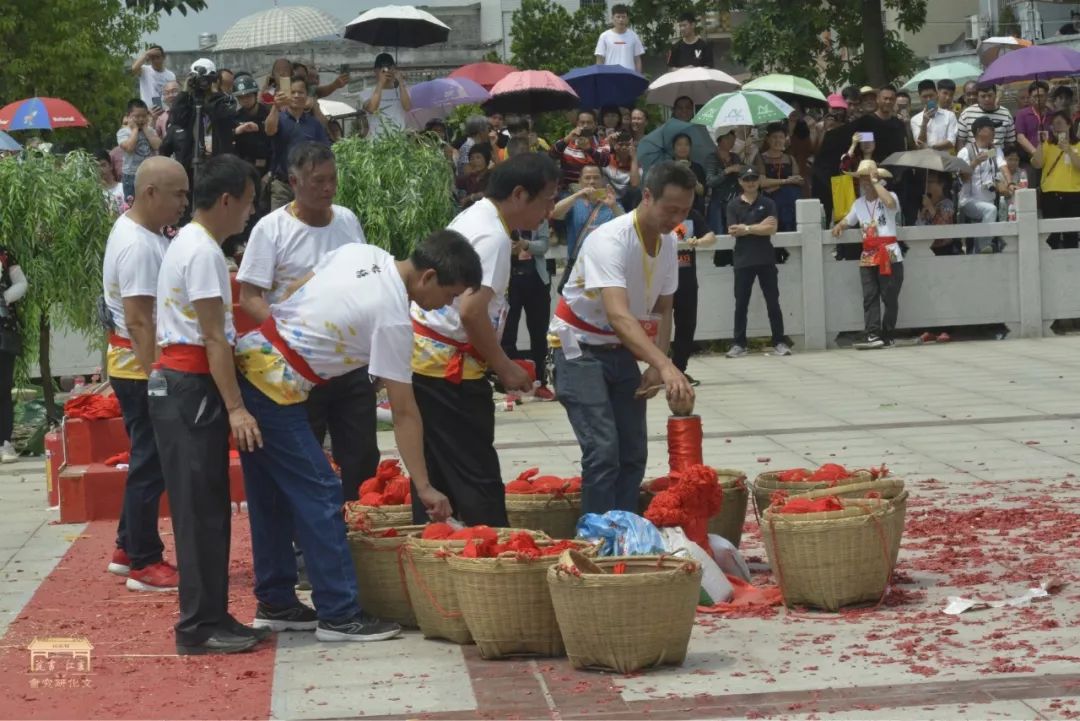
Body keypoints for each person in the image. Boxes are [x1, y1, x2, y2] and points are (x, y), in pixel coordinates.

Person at [234, 230, 477, 642]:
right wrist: (424, 486)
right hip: (274, 385)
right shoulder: (394, 316)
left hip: (255, 357)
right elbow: (404, 411)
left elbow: (295, 289)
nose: (448, 306)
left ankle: (276, 600)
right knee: (323, 492)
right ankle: (339, 614)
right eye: (449, 295)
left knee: (271, 494)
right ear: (428, 277)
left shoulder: (363, 252)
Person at [149, 154, 264, 655]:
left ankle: (213, 614)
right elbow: (214, 339)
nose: (248, 214)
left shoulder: (193, 245)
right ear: (225, 200)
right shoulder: (202, 252)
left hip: (186, 385)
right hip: (190, 385)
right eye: (247, 203)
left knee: (210, 506)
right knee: (200, 510)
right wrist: (236, 407)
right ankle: (197, 625)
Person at [410, 154, 558, 526]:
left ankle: (436, 551)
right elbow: (471, 312)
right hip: (447, 370)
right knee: (476, 474)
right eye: (547, 199)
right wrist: (504, 366)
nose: (550, 210)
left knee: (439, 469)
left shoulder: (478, 215)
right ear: (520, 195)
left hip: (429, 361)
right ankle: (492, 557)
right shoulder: (492, 236)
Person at [548, 160, 695, 515]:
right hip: (578, 348)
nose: (675, 218)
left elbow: (663, 310)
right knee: (603, 450)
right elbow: (617, 314)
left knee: (633, 451)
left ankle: (625, 526)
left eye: (685, 211)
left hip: (621, 349)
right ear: (647, 196)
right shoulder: (610, 239)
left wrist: (657, 366)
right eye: (669, 208)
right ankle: (596, 537)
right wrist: (665, 363)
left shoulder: (670, 245)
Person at [237, 142, 378, 502]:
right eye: (318, 181)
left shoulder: (346, 220)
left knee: (361, 453)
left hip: (350, 364)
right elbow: (249, 297)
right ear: (294, 181)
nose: (328, 188)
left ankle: (360, 529)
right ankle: (308, 538)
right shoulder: (271, 229)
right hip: (298, 366)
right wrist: (288, 337)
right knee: (307, 455)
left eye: (332, 179)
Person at [102, 157, 190, 591]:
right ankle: (143, 559)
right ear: (151, 193)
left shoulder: (147, 233)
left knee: (147, 458)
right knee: (151, 463)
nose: (183, 203)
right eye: (178, 194)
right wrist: (161, 375)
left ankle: (126, 544)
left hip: (139, 363)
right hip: (141, 367)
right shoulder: (137, 244)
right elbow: (138, 320)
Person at [500, 139, 556, 402]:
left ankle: (540, 381)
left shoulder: (539, 207)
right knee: (508, 331)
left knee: (539, 332)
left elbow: (544, 244)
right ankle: (510, 384)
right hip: (511, 279)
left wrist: (526, 244)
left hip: (535, 277)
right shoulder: (504, 208)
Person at [831, 160, 903, 350]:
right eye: (862, 177)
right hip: (869, 253)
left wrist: (876, 183)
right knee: (870, 296)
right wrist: (840, 226)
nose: (865, 181)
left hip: (889, 252)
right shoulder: (858, 203)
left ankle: (888, 334)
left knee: (889, 296)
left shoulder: (890, 195)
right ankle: (873, 334)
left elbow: (890, 203)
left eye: (868, 177)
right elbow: (849, 219)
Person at [724, 167, 788, 358]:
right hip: (743, 260)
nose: (750, 182)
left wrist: (748, 228)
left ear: (758, 181)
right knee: (741, 303)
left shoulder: (768, 203)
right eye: (746, 179)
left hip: (766, 258)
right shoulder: (733, 205)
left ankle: (779, 341)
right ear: (740, 182)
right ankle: (739, 343)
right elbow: (734, 230)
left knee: (773, 302)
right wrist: (757, 227)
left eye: (753, 178)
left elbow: (772, 228)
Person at [550, 164, 624, 292]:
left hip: (604, 268)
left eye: (596, 178)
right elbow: (554, 213)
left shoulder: (612, 204)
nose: (592, 181)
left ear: (602, 180)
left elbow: (626, 226)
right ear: (579, 181)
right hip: (577, 267)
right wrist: (576, 195)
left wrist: (613, 206)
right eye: (587, 178)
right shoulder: (573, 203)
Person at [266, 76, 330, 211]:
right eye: (292, 92)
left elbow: (325, 152)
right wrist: (275, 107)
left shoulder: (314, 124)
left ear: (306, 96)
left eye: (300, 92)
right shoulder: (279, 118)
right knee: (279, 228)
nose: (296, 96)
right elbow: (269, 130)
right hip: (282, 187)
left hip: (308, 186)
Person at [671, 206, 715, 384]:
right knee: (657, 326)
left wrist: (700, 242)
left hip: (686, 280)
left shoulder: (691, 214)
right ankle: (657, 370)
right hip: (660, 279)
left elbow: (710, 236)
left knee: (687, 324)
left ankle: (679, 369)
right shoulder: (657, 211)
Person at [957, 116, 1006, 254]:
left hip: (990, 200)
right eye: (991, 128)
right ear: (979, 131)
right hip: (969, 201)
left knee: (992, 210)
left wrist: (1010, 183)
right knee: (990, 210)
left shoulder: (994, 150)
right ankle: (984, 246)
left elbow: (1004, 167)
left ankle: (981, 249)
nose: (994, 132)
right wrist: (975, 163)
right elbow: (963, 178)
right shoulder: (965, 152)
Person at [1032, 110, 1080, 249]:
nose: (1056, 127)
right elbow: (1037, 164)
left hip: (1074, 193)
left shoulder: (1077, 145)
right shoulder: (1047, 144)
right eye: (1053, 125)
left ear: (1069, 124)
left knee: (1071, 234)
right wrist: (1040, 144)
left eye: (1059, 123)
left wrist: (1069, 150)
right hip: (1051, 193)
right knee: (1052, 234)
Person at [0, 239, 27, 464]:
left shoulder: (4, 253)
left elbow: (21, 283)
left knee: (2, 388)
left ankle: (4, 443)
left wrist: (4, 298)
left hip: (2, 330)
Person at [755, 122, 802, 234]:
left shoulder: (790, 158)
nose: (778, 140)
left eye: (781, 137)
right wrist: (785, 181)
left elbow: (798, 180)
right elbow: (762, 182)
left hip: (790, 202)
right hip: (771, 202)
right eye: (774, 137)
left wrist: (776, 184)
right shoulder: (761, 158)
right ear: (767, 139)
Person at [550, 111, 610, 191]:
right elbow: (552, 155)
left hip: (594, 189)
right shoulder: (566, 142)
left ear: (595, 124)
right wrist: (567, 139)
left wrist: (589, 149)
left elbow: (605, 161)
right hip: (569, 190)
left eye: (589, 123)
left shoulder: (602, 143)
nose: (585, 126)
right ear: (577, 124)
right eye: (582, 122)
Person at [116, 99, 161, 202]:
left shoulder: (150, 130)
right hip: (132, 176)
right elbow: (129, 148)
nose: (141, 119)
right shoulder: (123, 132)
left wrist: (146, 129)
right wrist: (135, 130)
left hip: (150, 173)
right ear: (129, 116)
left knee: (152, 203)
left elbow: (157, 145)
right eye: (137, 116)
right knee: (133, 205)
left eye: (144, 116)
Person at [362, 54, 412, 137]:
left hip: (399, 141)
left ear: (394, 69)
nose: (386, 71)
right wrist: (381, 83)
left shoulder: (402, 90)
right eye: (382, 69)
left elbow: (407, 107)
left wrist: (401, 82)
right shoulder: (366, 93)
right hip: (377, 142)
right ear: (375, 71)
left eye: (389, 67)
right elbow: (371, 109)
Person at [705, 128, 743, 238]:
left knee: (735, 234)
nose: (731, 142)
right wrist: (727, 170)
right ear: (719, 140)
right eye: (727, 139)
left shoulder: (735, 157)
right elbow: (710, 181)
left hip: (735, 201)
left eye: (733, 139)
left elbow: (741, 177)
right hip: (718, 203)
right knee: (719, 234)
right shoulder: (712, 158)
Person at [1015, 80, 1052, 190]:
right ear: (1030, 97)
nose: (1038, 99)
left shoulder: (1052, 114)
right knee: (1031, 190)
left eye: (1041, 95)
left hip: (1050, 159)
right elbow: (1020, 137)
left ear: (1047, 96)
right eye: (1035, 96)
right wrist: (1035, 153)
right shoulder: (1022, 114)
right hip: (1030, 160)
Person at [957, 84, 1017, 151]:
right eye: (983, 96)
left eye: (990, 95)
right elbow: (961, 141)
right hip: (973, 157)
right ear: (978, 97)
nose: (987, 99)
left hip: (998, 156)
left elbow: (1010, 142)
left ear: (995, 95)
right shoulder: (967, 113)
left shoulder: (1006, 114)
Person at [232, 74, 272, 175]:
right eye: (241, 97)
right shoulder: (235, 118)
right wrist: (236, 131)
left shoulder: (269, 114)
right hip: (243, 169)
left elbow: (277, 143)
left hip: (268, 169)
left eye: (248, 96)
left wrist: (260, 128)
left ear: (255, 95)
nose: (245, 100)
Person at [917, 171, 960, 256]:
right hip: (925, 249)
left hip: (943, 251)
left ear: (941, 184)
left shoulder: (947, 204)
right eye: (926, 181)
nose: (927, 185)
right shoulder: (925, 204)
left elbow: (943, 229)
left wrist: (930, 208)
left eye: (930, 182)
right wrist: (922, 215)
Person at [594, 4, 645, 72]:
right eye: (618, 17)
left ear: (627, 19)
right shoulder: (604, 36)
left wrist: (638, 77)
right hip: (610, 76)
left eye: (623, 17)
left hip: (629, 76)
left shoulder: (634, 36)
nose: (621, 19)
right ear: (612, 18)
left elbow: (637, 59)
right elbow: (599, 59)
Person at [911, 80, 958, 152]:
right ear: (920, 98)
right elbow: (919, 144)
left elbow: (951, 142)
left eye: (931, 95)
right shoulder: (915, 119)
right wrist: (924, 123)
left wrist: (930, 148)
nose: (929, 99)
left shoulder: (949, 115)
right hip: (925, 161)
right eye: (925, 97)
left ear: (937, 94)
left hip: (945, 160)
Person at [604, 131, 641, 208]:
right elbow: (593, 151)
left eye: (627, 145)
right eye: (620, 145)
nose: (624, 147)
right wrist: (608, 139)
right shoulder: (607, 159)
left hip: (627, 201)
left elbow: (635, 184)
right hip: (609, 196)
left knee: (636, 191)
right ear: (615, 146)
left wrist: (634, 159)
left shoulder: (636, 162)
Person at [131, 44, 176, 109]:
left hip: (165, 111)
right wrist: (146, 54)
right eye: (152, 58)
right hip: (148, 111)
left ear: (163, 57)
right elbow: (134, 69)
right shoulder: (144, 70)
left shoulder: (171, 75)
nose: (155, 61)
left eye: (158, 57)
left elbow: (173, 94)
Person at [672, 132, 706, 215]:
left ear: (690, 147)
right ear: (673, 148)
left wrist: (688, 171)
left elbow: (701, 191)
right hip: (673, 210)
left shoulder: (697, 168)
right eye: (679, 145)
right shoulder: (668, 167)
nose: (683, 147)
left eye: (686, 145)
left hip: (694, 210)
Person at [456, 142, 492, 209]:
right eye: (472, 158)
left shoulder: (492, 176)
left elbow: (489, 194)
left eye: (478, 157)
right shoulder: (470, 177)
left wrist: (469, 198)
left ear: (486, 159)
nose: (474, 161)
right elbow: (453, 182)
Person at [97, 149, 127, 215]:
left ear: (111, 166)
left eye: (103, 165)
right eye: (96, 167)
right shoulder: (96, 195)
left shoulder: (123, 188)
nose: (100, 170)